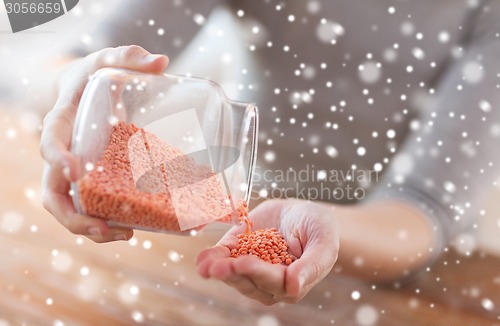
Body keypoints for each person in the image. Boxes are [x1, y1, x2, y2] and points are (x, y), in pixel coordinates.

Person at [39, 0, 500, 305]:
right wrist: (75, 92)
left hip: (393, 261)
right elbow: (82, 62)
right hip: (240, 215)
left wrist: (328, 225)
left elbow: (423, 209)